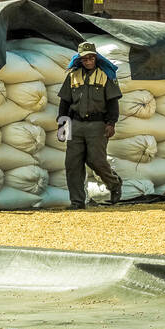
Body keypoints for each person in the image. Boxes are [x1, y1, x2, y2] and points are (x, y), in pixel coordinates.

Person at [56, 41, 123, 209]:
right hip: (75, 124)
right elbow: (64, 102)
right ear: (80, 60)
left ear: (96, 58)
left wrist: (111, 123)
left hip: (97, 125)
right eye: (85, 59)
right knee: (73, 164)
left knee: (96, 160)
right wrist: (62, 125)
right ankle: (77, 202)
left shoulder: (105, 75)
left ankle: (114, 184)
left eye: (91, 58)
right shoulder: (73, 76)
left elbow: (113, 102)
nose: (88, 61)